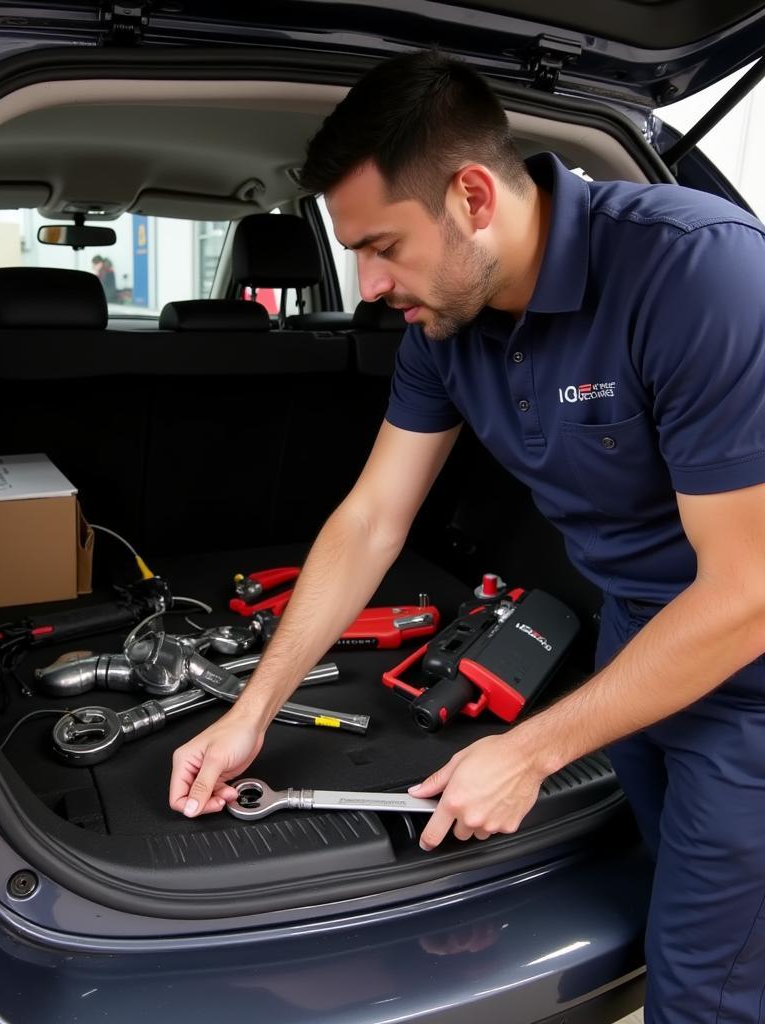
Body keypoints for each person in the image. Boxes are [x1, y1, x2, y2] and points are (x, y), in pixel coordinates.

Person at [168, 50, 765, 1023]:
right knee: (684, 912)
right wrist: (251, 710)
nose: (365, 285)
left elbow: (746, 595)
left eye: (381, 247)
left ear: (473, 196)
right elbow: (370, 520)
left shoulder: (696, 273)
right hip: (636, 632)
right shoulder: (445, 325)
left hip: (745, 679)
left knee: (708, 990)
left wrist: (529, 751)